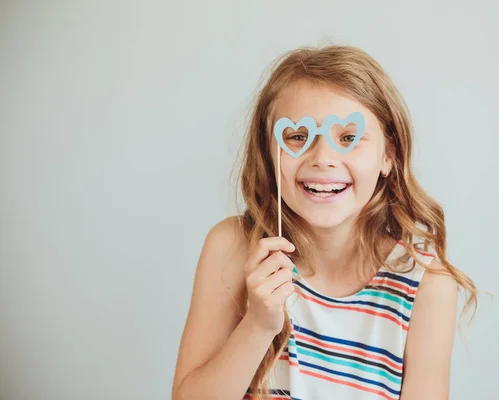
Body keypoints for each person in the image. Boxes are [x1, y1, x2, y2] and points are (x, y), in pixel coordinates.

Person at [171, 44, 478, 400]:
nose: (323, 159)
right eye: (298, 137)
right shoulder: (234, 248)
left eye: (348, 138)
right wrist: (257, 326)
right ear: (270, 154)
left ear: (388, 155)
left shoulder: (424, 284)